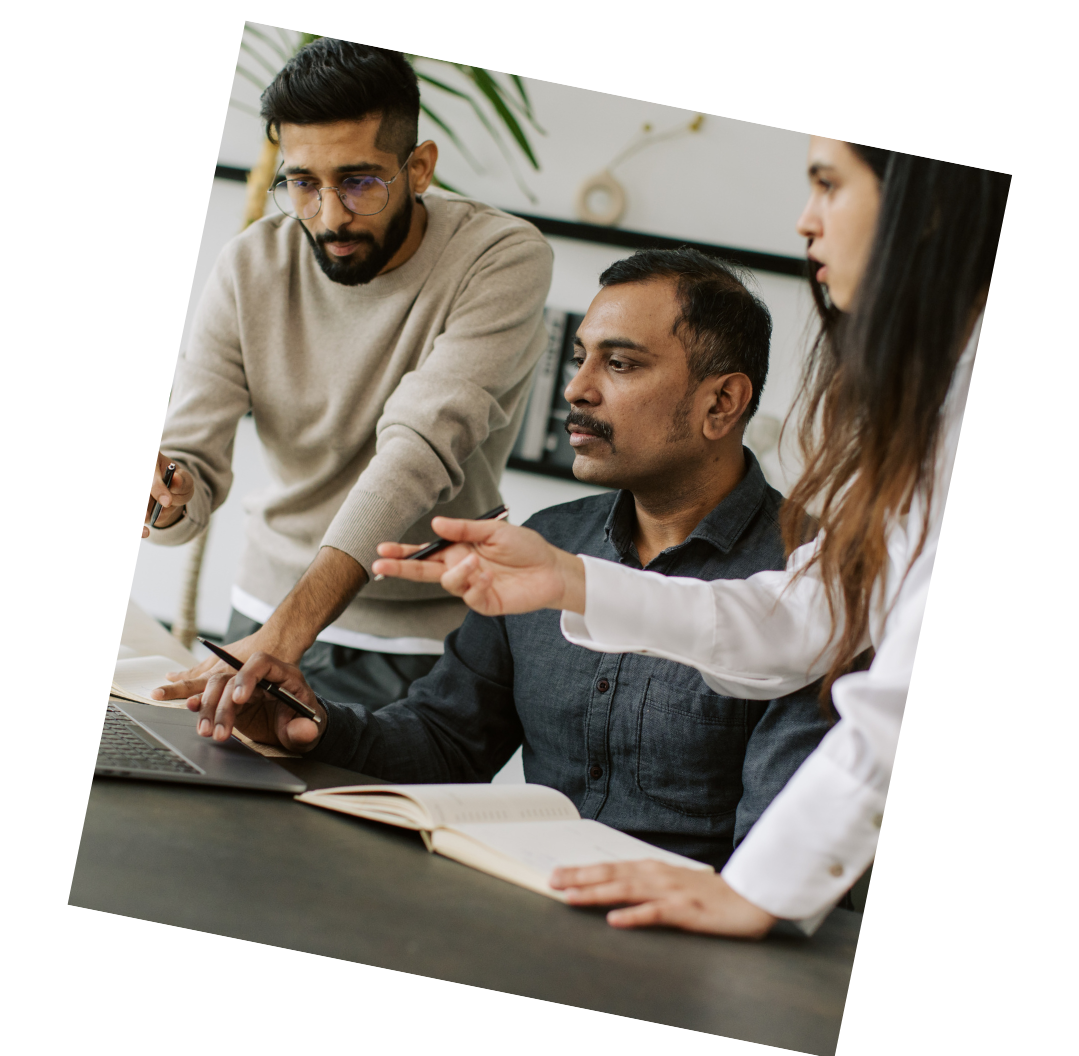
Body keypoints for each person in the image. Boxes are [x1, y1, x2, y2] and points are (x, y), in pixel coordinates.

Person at [370, 137, 1002, 937]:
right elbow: (806, 619)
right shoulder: (943, 400)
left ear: (927, 202)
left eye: (829, 186)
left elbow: (909, 701)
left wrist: (758, 891)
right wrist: (572, 581)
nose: (805, 220)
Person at [188, 250, 835, 872]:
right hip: (525, 901)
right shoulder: (547, 541)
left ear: (721, 404)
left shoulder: (818, 583)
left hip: (693, 942)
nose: (577, 389)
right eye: (581, 359)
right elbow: (445, 742)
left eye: (621, 365)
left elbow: (781, 856)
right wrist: (312, 726)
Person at [142, 38, 553, 709]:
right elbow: (189, 473)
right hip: (264, 611)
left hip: (421, 642)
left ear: (419, 168)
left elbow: (417, 453)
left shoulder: (501, 257)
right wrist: (172, 493)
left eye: (360, 181)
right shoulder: (251, 266)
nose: (330, 217)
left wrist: (291, 629)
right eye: (304, 183)